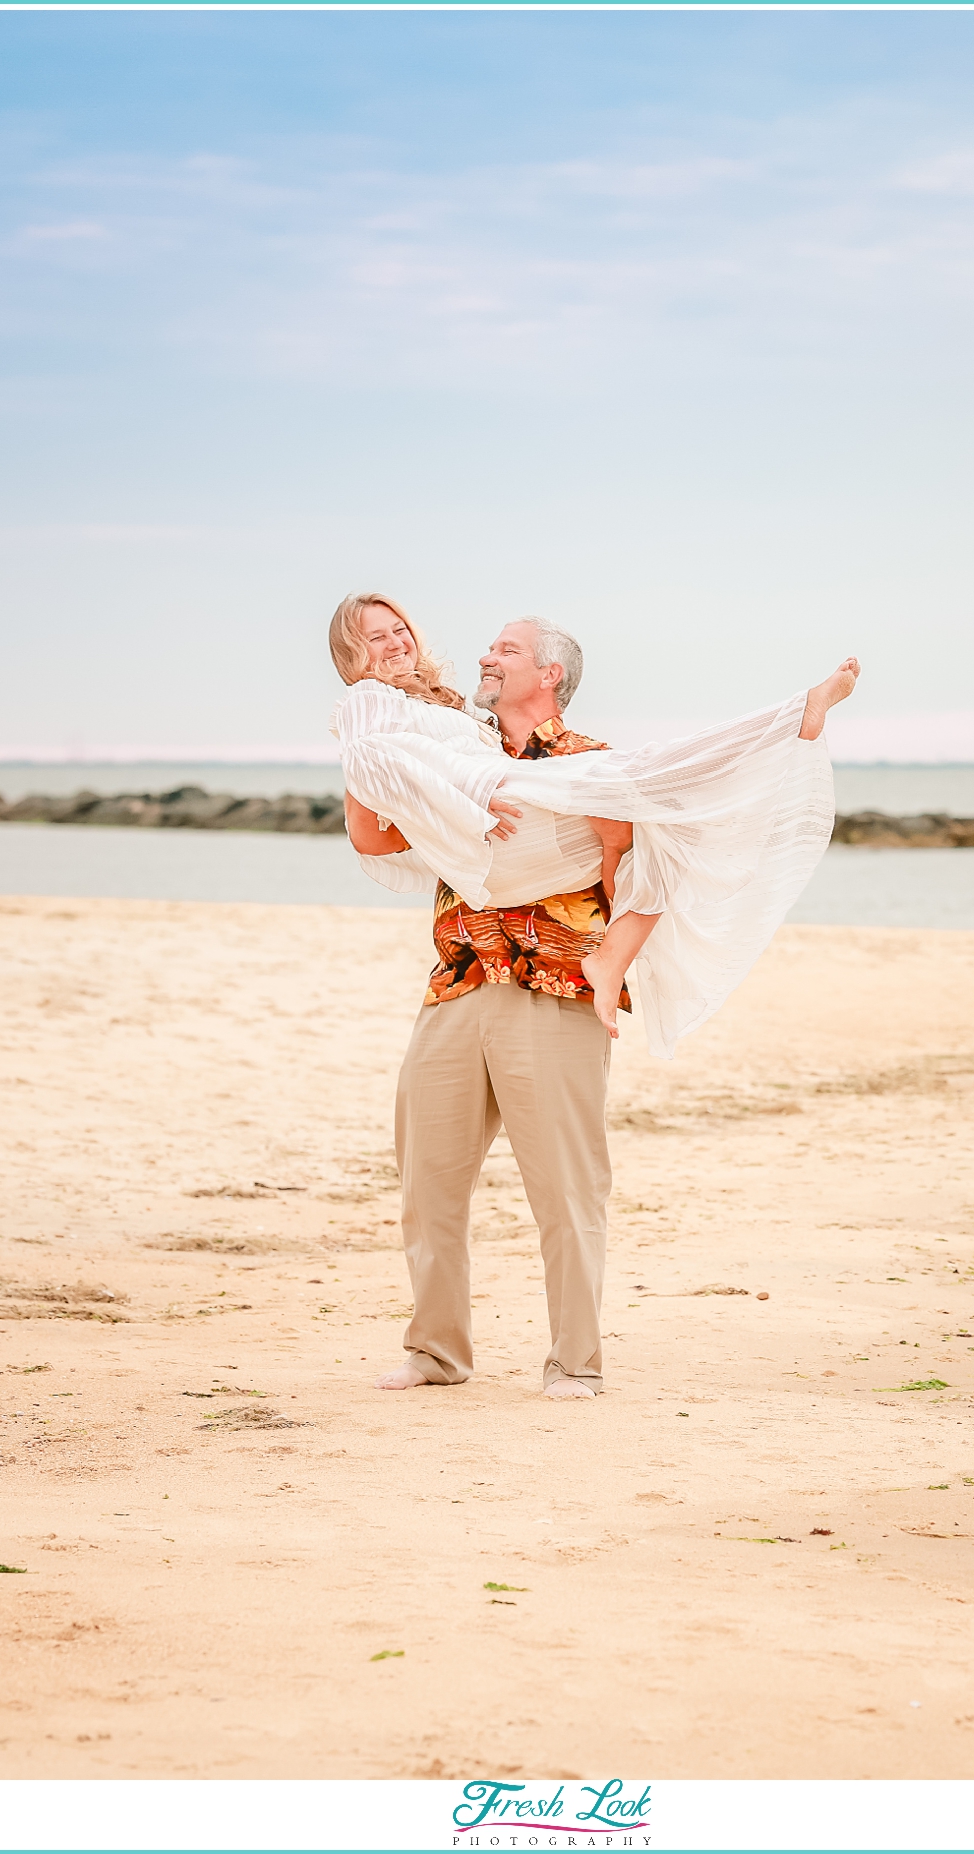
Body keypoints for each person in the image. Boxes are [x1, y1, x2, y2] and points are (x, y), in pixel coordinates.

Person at [328, 593, 858, 1400]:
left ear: (548, 675)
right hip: (458, 981)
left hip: (555, 990)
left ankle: (575, 1362)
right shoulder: (452, 746)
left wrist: (611, 969)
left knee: (567, 1191)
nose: (483, 658)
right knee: (426, 1183)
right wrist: (405, 784)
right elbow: (375, 837)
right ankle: (436, 1352)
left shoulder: (592, 762)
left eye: (504, 650)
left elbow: (642, 874)